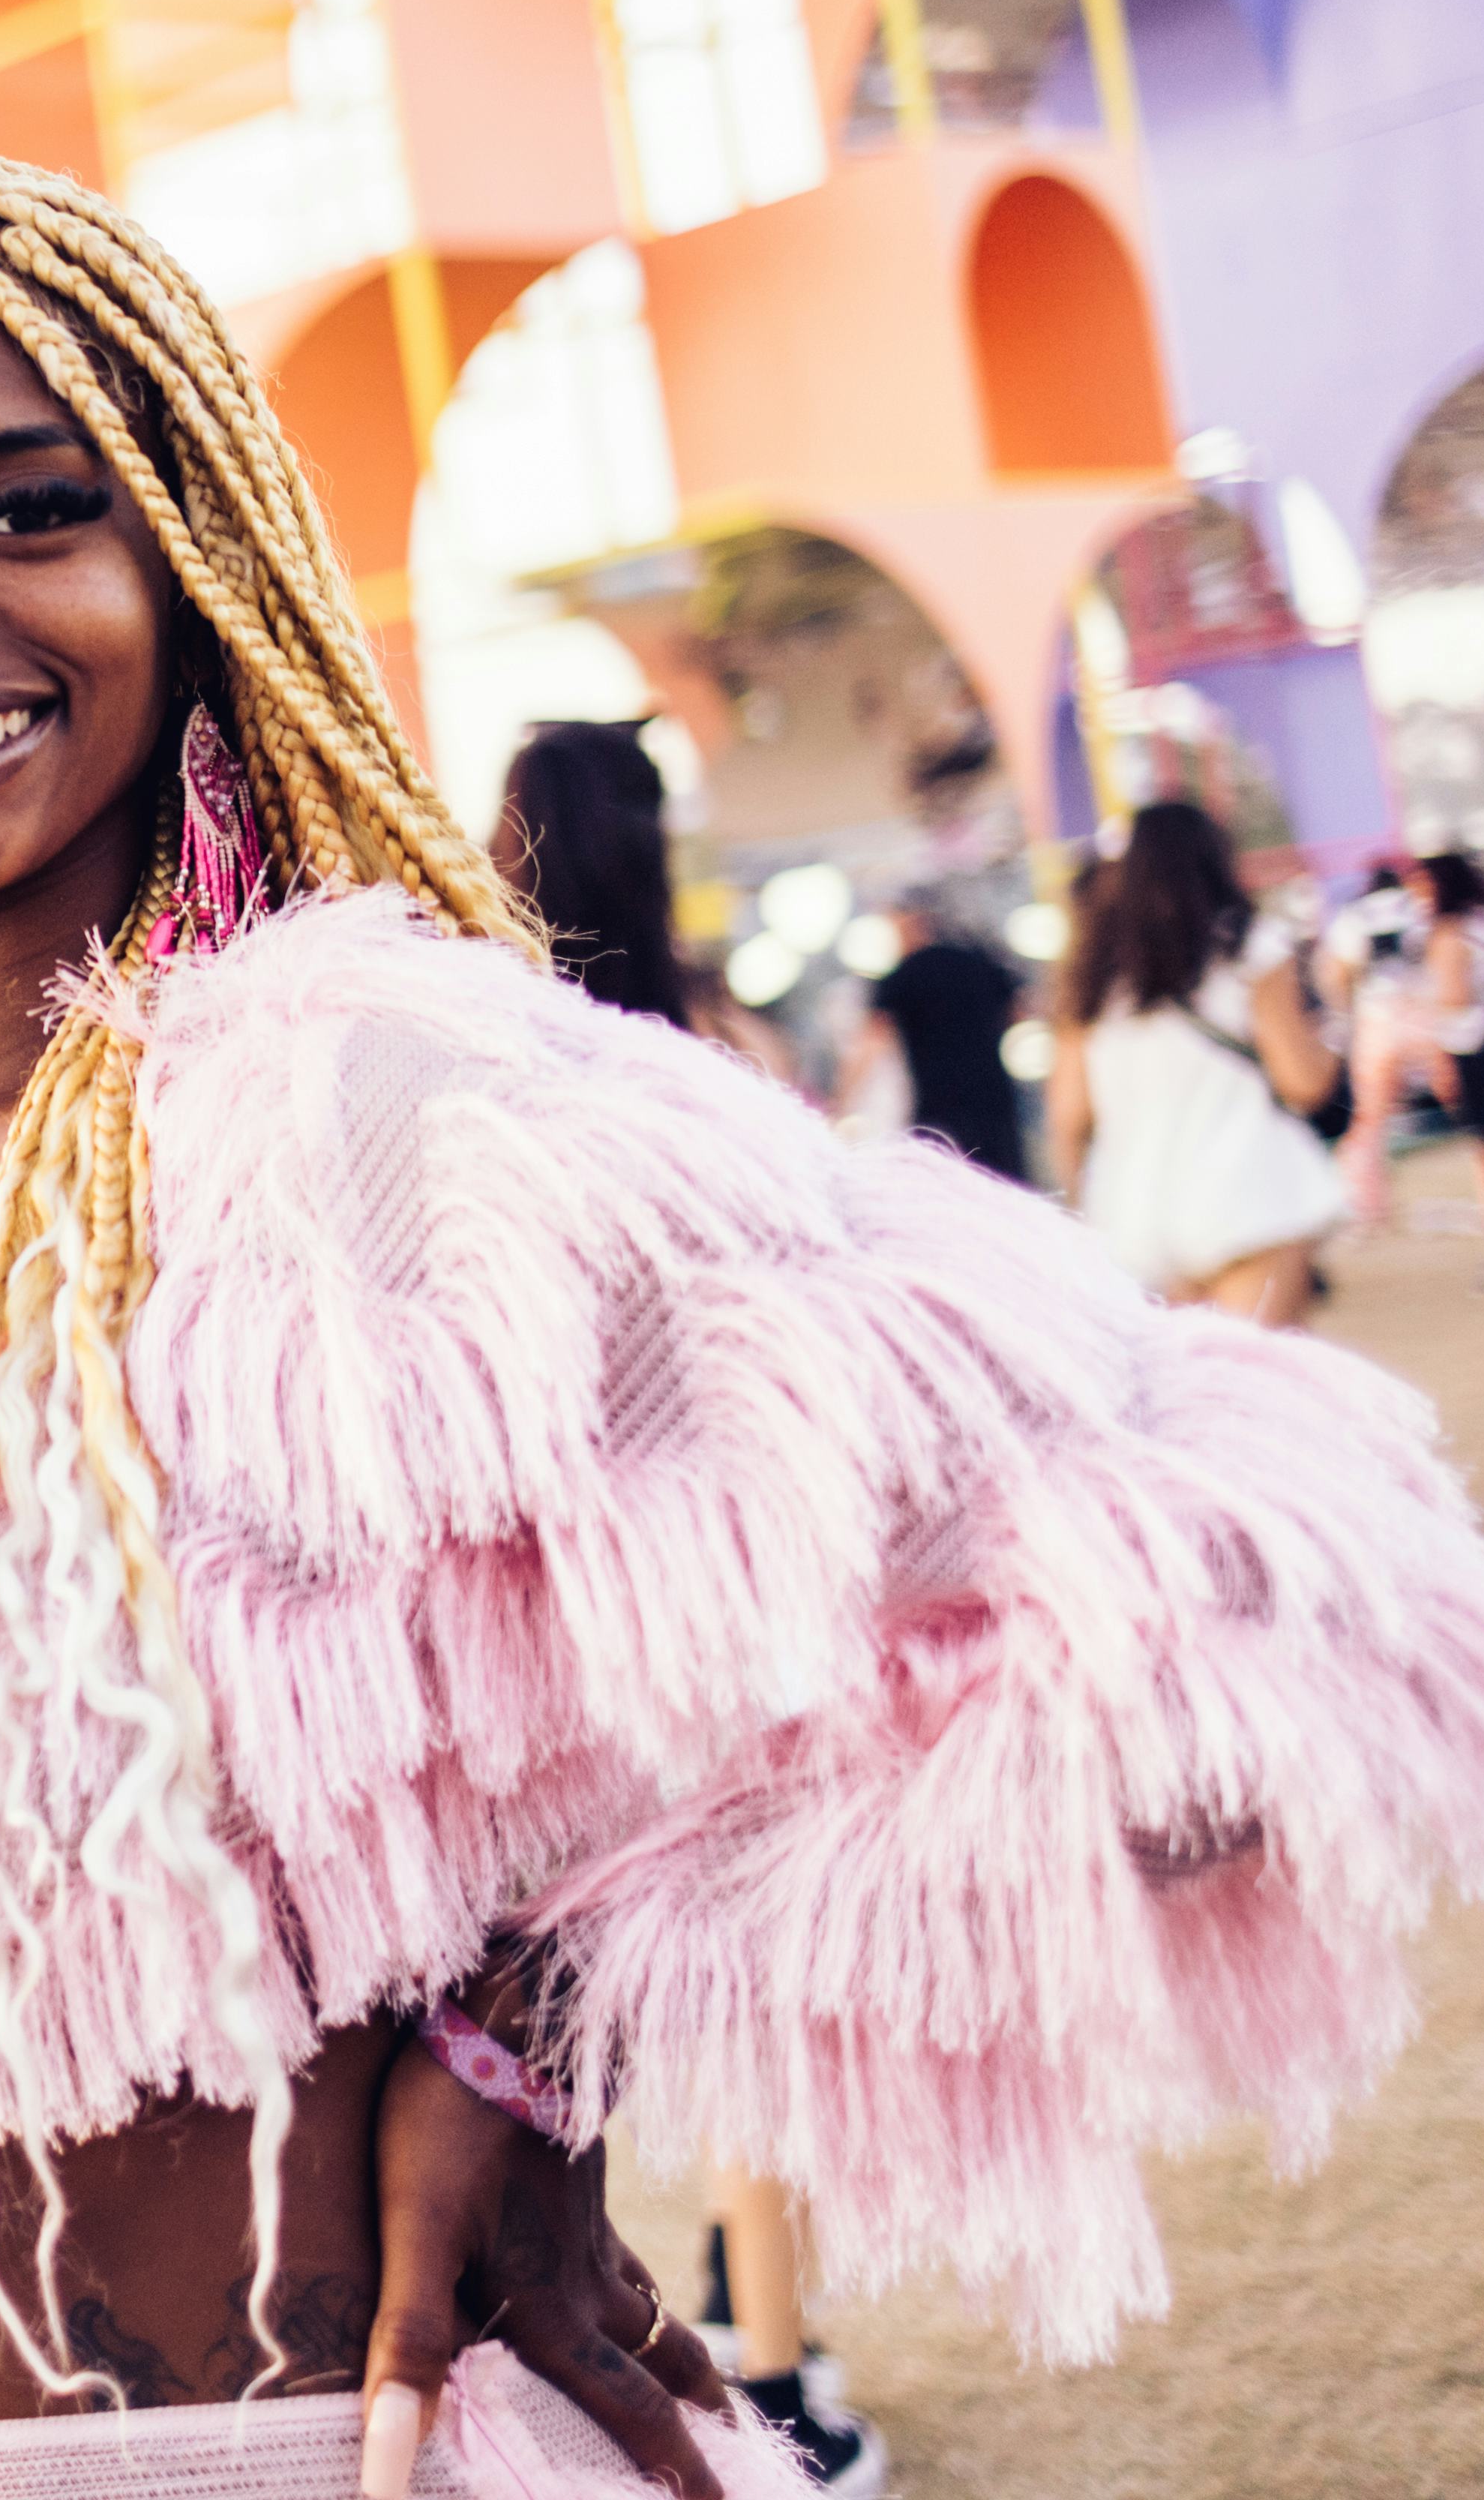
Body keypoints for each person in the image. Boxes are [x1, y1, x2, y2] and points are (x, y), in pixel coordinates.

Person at [0, 159, 1484, 2500]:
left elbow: (1253, 1623)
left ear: (193, 569)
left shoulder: (366, 1120)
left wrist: (548, 2022)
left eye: (25, 513)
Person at [491, 719, 883, 2492]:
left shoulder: (482, 1060)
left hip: (544, 1589)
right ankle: (780, 2367)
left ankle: (680, 2323)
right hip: (720, 1568)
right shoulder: (716, 1049)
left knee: (545, 1991)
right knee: (735, 1975)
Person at [1045, 800, 1344, 1325]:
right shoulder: (1248, 946)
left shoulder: (1093, 975)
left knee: (1192, 1395)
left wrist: (1080, 1210)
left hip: (1134, 1212)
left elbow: (1068, 1118)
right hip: (1248, 1195)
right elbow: (1302, 1082)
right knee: (1262, 1385)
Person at [1327, 852, 1484, 1242]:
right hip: (1435, 1022)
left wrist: (1345, 1015)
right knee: (1480, 1122)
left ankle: (1366, 1209)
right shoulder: (1427, 908)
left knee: (1369, 1122)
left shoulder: (1355, 916)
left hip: (1383, 1017)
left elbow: (1338, 973)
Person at [854, 892, 1030, 1183]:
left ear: (911, 920)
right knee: (1005, 1184)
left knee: (948, 1191)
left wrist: (843, 1099)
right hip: (993, 1096)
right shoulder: (977, 961)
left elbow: (872, 1040)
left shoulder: (903, 975)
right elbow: (1019, 1011)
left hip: (939, 1103)